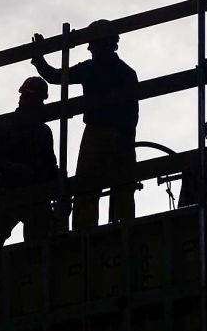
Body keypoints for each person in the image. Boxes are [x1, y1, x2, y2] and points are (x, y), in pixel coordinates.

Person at [32, 19, 139, 231]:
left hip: (98, 135)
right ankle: (128, 232)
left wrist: (39, 58)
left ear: (103, 43)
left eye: (92, 42)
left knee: (87, 190)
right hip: (122, 135)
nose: (89, 47)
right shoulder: (126, 72)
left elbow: (56, 77)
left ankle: (84, 236)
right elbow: (133, 115)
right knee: (123, 189)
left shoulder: (92, 69)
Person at [0, 76, 60, 252]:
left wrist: (58, 180)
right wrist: (9, 167)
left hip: (34, 195)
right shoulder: (7, 125)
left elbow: (49, 166)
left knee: (40, 245)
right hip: (10, 193)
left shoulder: (41, 131)